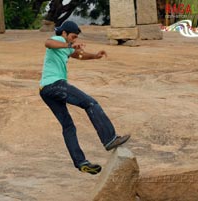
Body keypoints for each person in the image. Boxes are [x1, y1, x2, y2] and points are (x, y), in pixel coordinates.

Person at [39, 21, 130, 175]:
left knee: (68, 126)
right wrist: (68, 45)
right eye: (72, 37)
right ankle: (110, 138)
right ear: (65, 33)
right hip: (55, 85)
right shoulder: (60, 41)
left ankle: (81, 163)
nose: (73, 40)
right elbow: (48, 43)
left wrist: (95, 56)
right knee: (90, 103)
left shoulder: (65, 46)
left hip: (45, 90)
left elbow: (78, 55)